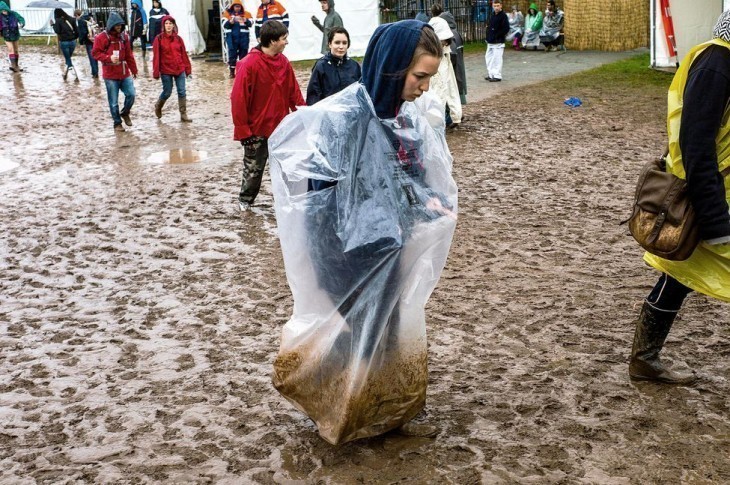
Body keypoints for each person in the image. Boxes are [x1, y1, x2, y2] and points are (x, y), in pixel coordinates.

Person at [268, 20, 458, 444]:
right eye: (420, 76)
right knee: (353, 335)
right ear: (393, 68)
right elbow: (321, 199)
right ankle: (341, 409)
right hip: (345, 257)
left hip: (393, 251)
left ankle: (380, 411)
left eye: (429, 77)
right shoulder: (345, 117)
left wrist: (427, 198)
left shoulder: (405, 118)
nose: (425, 88)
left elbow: (414, 178)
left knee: (387, 331)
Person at [629, 11, 730, 385]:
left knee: (680, 275)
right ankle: (644, 359)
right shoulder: (717, 65)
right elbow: (696, 146)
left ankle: (644, 359)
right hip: (712, 199)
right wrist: (717, 221)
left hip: (719, 196)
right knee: (679, 272)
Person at [230, 19, 304, 211]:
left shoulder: (284, 62)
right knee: (254, 171)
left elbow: (293, 92)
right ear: (272, 41)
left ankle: (286, 202)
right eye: (283, 38)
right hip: (257, 130)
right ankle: (245, 202)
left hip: (281, 128)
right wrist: (243, 132)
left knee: (286, 168)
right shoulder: (248, 65)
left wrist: (304, 115)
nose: (286, 42)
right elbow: (238, 100)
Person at [92, 11, 138, 132]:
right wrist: (108, 58)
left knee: (131, 94)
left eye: (121, 25)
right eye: (117, 25)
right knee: (113, 101)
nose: (119, 28)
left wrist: (134, 69)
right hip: (110, 75)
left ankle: (125, 112)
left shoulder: (125, 37)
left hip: (124, 73)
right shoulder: (101, 38)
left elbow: (129, 54)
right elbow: (95, 53)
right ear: (111, 25)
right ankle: (117, 123)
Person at [306, 26, 360, 106]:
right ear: (330, 44)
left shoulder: (354, 66)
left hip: (351, 114)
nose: (341, 47)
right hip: (328, 114)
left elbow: (360, 92)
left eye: (344, 43)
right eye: (337, 42)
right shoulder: (321, 66)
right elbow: (313, 96)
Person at [153, 15, 192, 123]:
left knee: (182, 91)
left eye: (170, 23)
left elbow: (184, 55)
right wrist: (156, 72)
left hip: (180, 68)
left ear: (174, 25)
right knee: (167, 92)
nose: (168, 26)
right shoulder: (159, 39)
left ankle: (183, 114)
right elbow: (156, 56)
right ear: (163, 25)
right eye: (166, 23)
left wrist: (188, 69)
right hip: (166, 70)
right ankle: (158, 106)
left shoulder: (179, 39)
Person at [428, 16, 461, 127]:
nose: (443, 43)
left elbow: (451, 86)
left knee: (446, 92)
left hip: (443, 72)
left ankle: (446, 118)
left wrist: (456, 113)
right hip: (434, 78)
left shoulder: (446, 52)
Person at [432, 4, 467, 105]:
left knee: (451, 87)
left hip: (453, 65)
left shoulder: (448, 34)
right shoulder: (455, 32)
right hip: (458, 64)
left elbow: (452, 53)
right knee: (457, 85)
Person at [222, 0, 252, 78]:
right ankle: (232, 73)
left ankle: (242, 72)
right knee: (232, 55)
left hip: (243, 38)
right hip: (231, 38)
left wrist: (245, 20)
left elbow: (251, 23)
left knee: (243, 55)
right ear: (233, 7)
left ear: (241, 7)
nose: (237, 8)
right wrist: (230, 22)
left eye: (239, 6)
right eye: (236, 6)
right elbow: (224, 24)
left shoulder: (246, 14)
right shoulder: (227, 14)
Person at [485, 0, 509, 82]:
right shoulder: (492, 15)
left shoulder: (503, 16)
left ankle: (497, 75)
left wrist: (497, 35)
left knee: (497, 58)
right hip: (490, 40)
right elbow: (489, 26)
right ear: (492, 6)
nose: (496, 7)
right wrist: (488, 36)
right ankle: (491, 74)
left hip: (498, 41)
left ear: (501, 6)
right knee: (488, 58)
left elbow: (506, 28)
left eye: (498, 6)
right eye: (495, 6)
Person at [52, 8, 79, 81]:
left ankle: (74, 74)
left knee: (68, 59)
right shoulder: (72, 19)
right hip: (73, 42)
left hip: (64, 42)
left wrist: (52, 25)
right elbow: (77, 30)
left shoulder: (58, 20)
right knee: (68, 58)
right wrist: (74, 38)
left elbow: (57, 31)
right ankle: (65, 75)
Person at [0, 1, 25, 73]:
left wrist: (22, 23)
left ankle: (16, 65)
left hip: (15, 34)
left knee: (16, 50)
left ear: (7, 9)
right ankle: (13, 66)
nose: (3, 12)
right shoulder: (0, 16)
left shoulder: (14, 14)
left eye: (4, 10)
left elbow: (21, 19)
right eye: (2, 10)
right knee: (11, 49)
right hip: (6, 35)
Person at [76, 10, 99, 78]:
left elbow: (83, 32)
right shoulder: (90, 17)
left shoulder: (81, 20)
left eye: (75, 17)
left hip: (88, 41)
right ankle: (96, 71)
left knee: (91, 56)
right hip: (95, 40)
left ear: (77, 15)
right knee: (95, 56)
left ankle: (95, 73)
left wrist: (81, 41)